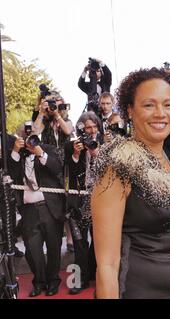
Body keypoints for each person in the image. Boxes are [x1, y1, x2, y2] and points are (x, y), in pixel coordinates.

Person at [91, 67, 170, 299]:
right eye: (149, 105)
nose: (160, 113)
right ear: (130, 110)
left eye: (168, 105)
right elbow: (107, 265)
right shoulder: (118, 166)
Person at [8, 124, 65, 297]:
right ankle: (39, 281)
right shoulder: (17, 156)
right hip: (29, 211)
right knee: (32, 250)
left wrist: (40, 153)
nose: (30, 141)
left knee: (54, 247)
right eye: (26, 137)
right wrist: (16, 151)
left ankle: (53, 281)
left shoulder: (47, 150)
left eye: (32, 136)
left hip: (49, 208)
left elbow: (57, 168)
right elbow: (9, 172)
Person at [65, 111, 103, 294]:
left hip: (99, 199)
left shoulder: (105, 145)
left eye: (95, 126)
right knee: (80, 242)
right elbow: (68, 172)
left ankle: (95, 275)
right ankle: (80, 280)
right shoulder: (72, 145)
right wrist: (76, 154)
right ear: (82, 129)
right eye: (88, 127)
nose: (92, 130)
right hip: (79, 200)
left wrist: (96, 153)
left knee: (99, 240)